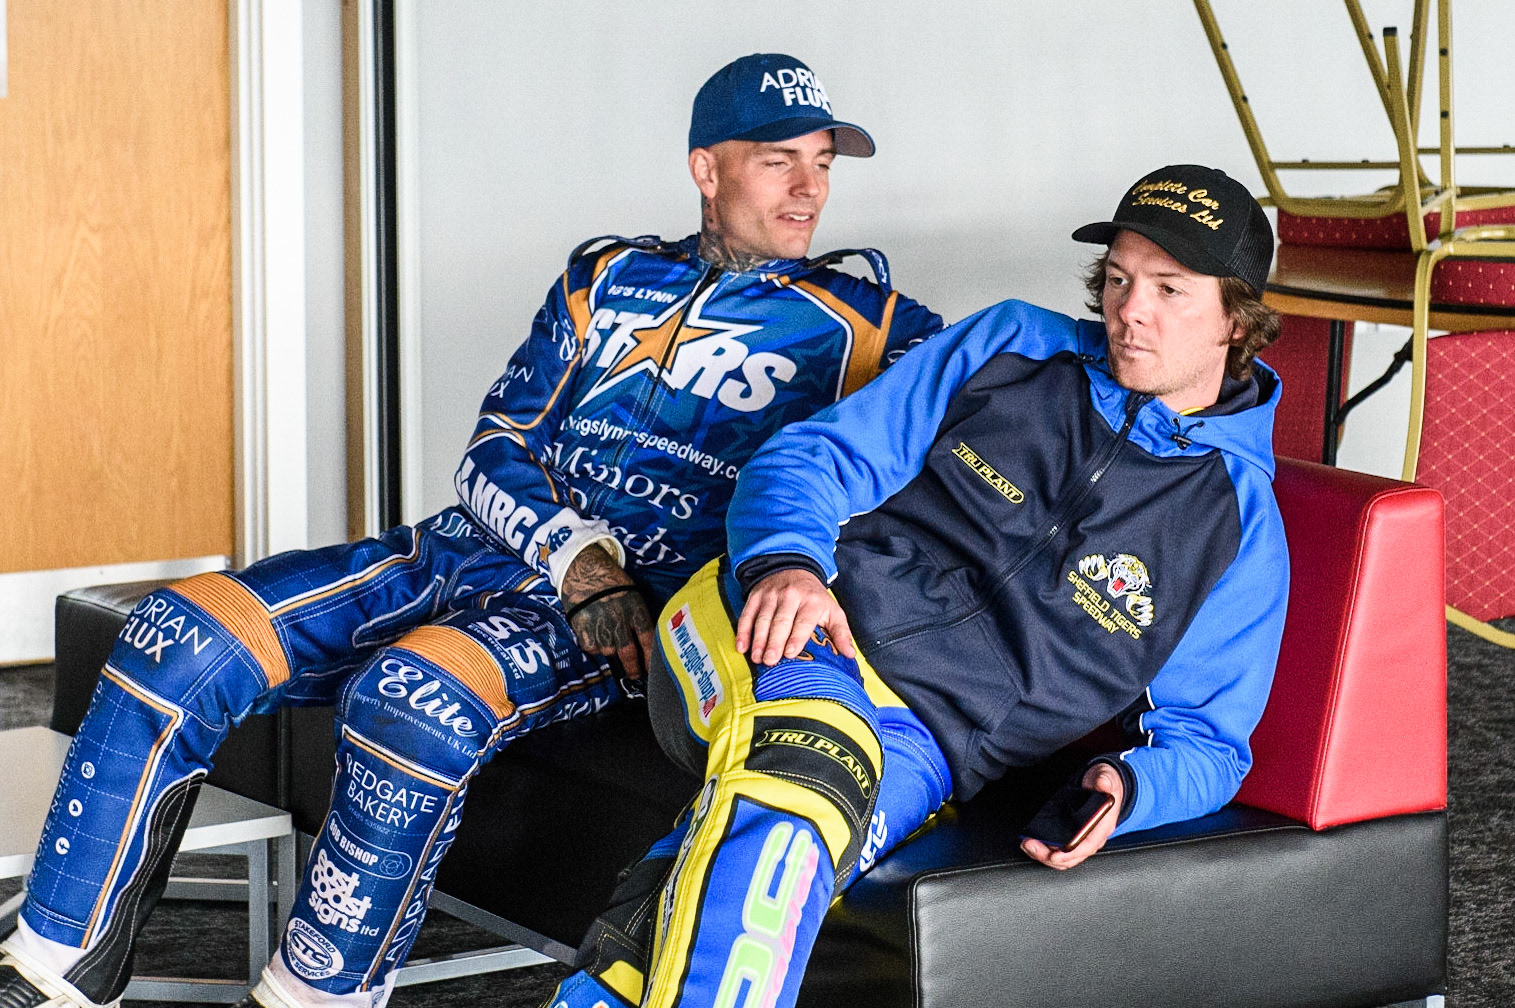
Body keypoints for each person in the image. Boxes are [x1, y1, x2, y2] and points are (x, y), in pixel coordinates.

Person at [0, 54, 942, 1008]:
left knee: (413, 699)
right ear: (706, 169)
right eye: (779, 160)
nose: (810, 188)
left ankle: (316, 997)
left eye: (823, 162)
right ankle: (52, 973)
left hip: (604, 624)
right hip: (475, 550)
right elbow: (493, 448)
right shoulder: (605, 274)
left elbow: (1004, 391)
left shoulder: (876, 327)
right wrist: (579, 559)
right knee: (177, 633)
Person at [546, 164, 1288, 1008]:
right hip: (784, 622)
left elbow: (1209, 740)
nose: (1129, 311)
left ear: (1236, 317)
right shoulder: (1011, 347)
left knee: (777, 864)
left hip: (925, 747)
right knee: (806, 770)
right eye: (1117, 280)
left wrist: (1129, 787)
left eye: (1169, 290)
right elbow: (812, 458)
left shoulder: (1237, 524)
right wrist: (787, 564)